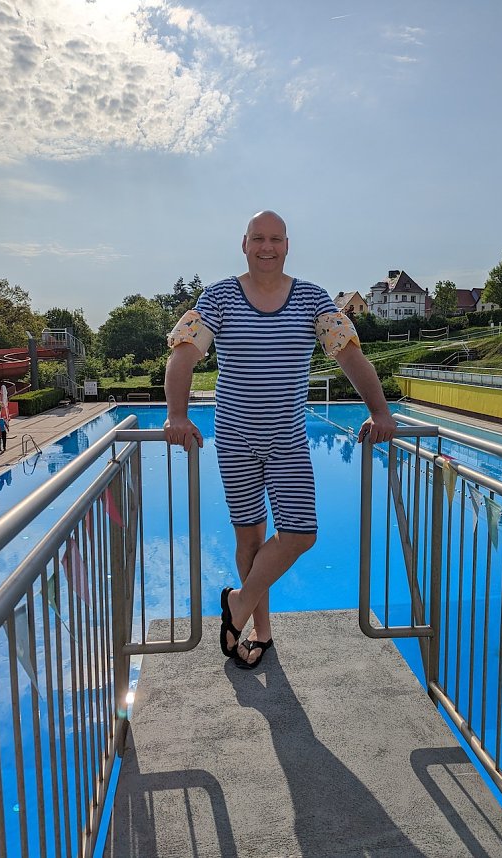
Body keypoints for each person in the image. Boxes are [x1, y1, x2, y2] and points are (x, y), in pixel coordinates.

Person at [163, 210, 397, 669]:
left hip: (287, 440)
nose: (266, 247)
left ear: (287, 245)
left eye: (275, 239)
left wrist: (380, 410)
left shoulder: (312, 299)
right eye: (258, 239)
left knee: (300, 532)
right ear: (244, 244)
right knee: (249, 540)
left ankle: (236, 606)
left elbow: (351, 357)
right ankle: (259, 632)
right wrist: (176, 414)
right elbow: (183, 356)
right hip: (234, 440)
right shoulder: (219, 298)